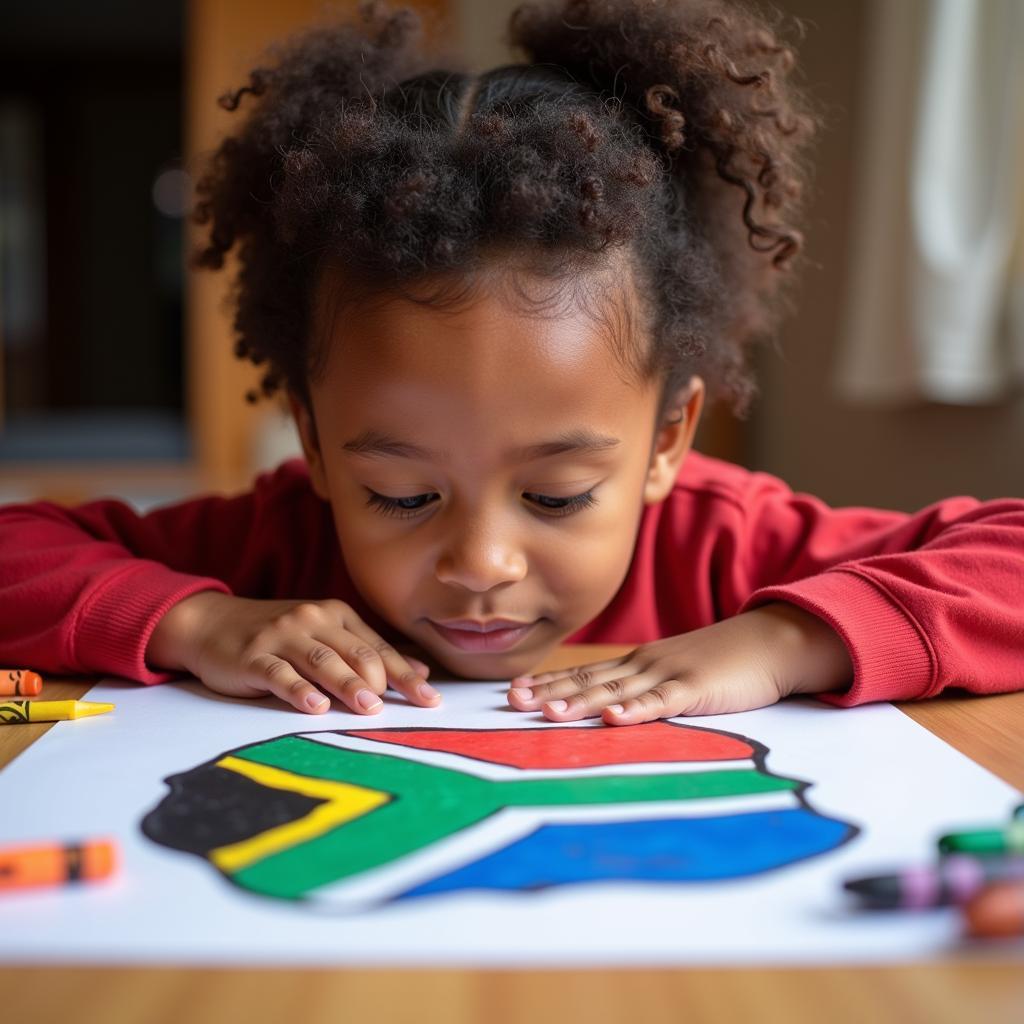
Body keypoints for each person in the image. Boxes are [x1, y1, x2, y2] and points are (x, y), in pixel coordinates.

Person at [1, 0, 1021, 726]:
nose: (480, 565)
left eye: (559, 494)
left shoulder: (726, 546)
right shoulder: (274, 543)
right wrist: (196, 621)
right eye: (400, 495)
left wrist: (787, 644)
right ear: (313, 440)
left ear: (667, 437)